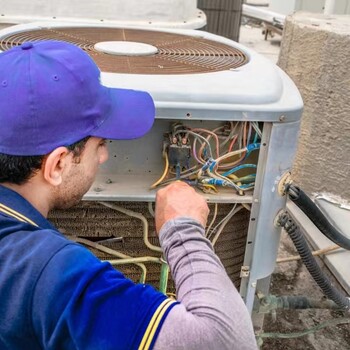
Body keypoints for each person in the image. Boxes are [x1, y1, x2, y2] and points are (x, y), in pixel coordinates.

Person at [0, 40, 257, 349]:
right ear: (57, 165)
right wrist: (184, 232)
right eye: (101, 143)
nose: (104, 157)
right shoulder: (43, 271)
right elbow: (225, 342)